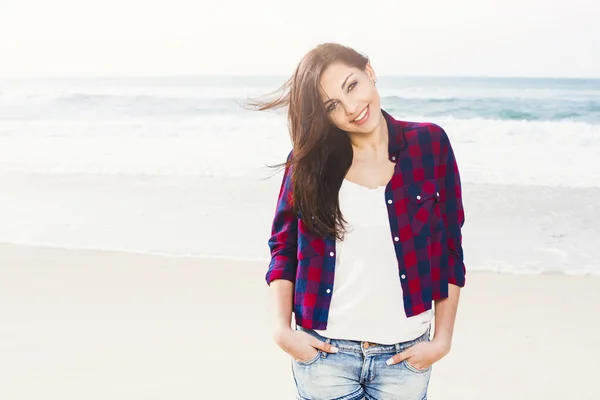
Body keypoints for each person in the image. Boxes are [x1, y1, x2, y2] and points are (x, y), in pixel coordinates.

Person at [251, 42, 466, 400]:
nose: (351, 109)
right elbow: (284, 247)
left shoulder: (430, 144)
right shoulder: (308, 163)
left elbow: (448, 247)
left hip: (405, 355)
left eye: (352, 86)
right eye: (332, 105)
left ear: (369, 72)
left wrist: (442, 339)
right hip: (324, 356)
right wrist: (281, 331)